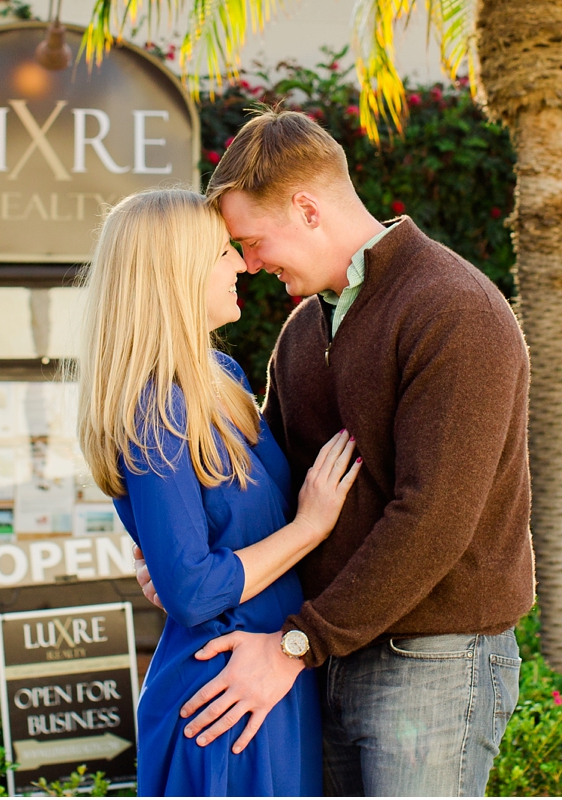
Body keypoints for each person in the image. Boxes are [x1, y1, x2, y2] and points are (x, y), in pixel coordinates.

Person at [146, 107, 535, 797]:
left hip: (429, 661)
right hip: (325, 658)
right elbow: (264, 489)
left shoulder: (453, 310)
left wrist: (298, 644)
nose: (249, 263)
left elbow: (433, 519)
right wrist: (185, 562)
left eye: (255, 241)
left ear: (307, 208)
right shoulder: (302, 332)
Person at [76, 188, 361, 797]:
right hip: (224, 697)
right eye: (221, 252)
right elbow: (192, 589)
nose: (241, 265)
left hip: (272, 675)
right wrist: (309, 526)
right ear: (173, 273)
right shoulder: (153, 409)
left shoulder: (223, 380)